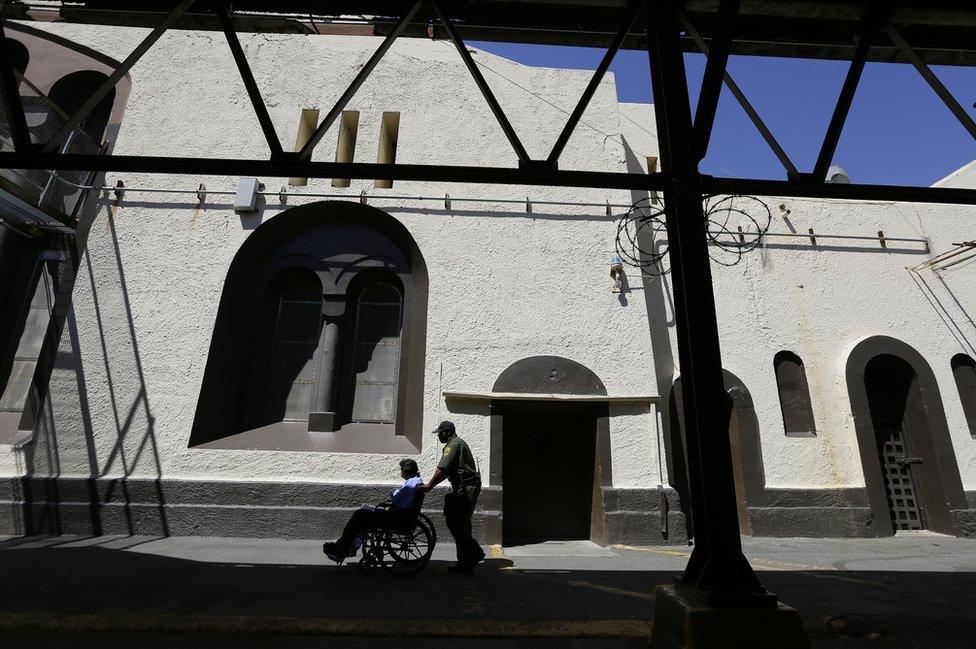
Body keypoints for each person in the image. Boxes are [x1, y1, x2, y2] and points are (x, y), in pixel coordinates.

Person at [323, 458, 423, 563]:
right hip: (399, 515)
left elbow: (398, 499)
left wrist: (393, 495)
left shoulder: (412, 483)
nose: (400, 471)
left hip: (396, 517)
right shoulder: (415, 481)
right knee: (363, 512)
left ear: (405, 470)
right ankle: (346, 546)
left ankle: (341, 549)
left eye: (401, 469)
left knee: (359, 515)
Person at [419, 420, 485, 573]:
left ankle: (472, 555)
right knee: (457, 523)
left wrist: (429, 485)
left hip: (466, 487)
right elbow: (446, 471)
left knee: (458, 523)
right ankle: (466, 560)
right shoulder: (456, 443)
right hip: (463, 486)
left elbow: (443, 469)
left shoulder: (453, 445)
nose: (439, 436)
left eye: (440, 433)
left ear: (447, 432)